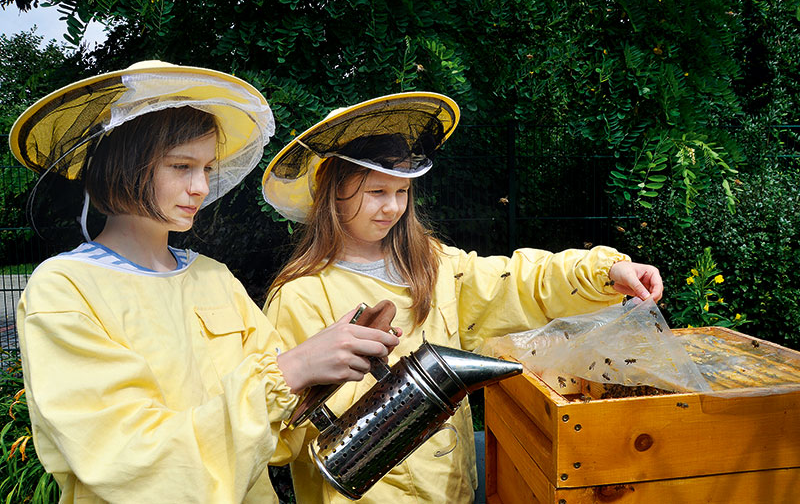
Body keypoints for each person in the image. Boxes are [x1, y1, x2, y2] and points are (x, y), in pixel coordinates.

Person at [10, 61, 400, 503]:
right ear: (124, 166)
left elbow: (276, 441)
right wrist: (292, 370)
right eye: (181, 166)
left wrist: (329, 358)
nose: (200, 186)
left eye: (207, 168)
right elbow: (129, 461)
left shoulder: (214, 277)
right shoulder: (64, 289)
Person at [261, 92, 664, 503]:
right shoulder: (299, 296)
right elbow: (277, 433)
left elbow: (517, 282)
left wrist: (606, 273)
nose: (392, 207)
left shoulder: (432, 264)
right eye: (377, 191)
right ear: (333, 191)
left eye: (402, 192)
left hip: (453, 491)